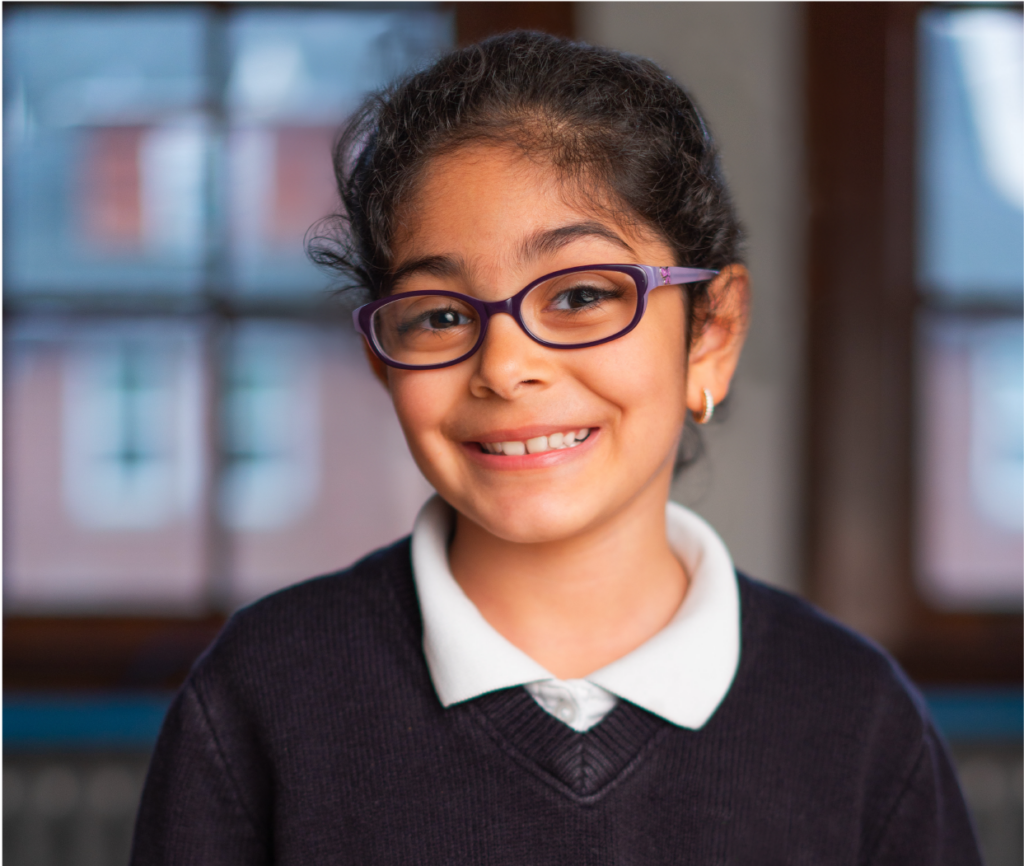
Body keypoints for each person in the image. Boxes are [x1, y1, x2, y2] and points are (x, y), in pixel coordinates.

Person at [131, 32, 981, 864]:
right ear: (382, 361)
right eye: (438, 315)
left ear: (711, 333)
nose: (504, 368)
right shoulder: (265, 697)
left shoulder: (856, 720)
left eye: (580, 296)